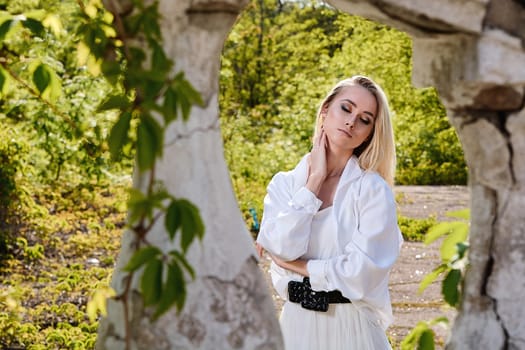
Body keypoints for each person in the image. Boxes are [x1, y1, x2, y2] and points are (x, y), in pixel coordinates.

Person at [256, 75, 403, 350]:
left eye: (365, 119)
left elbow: (361, 274)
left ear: (370, 133)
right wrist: (314, 183)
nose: (351, 122)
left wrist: (301, 267)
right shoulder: (285, 184)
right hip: (295, 328)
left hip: (352, 330)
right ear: (325, 111)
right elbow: (283, 248)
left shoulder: (372, 190)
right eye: (346, 109)